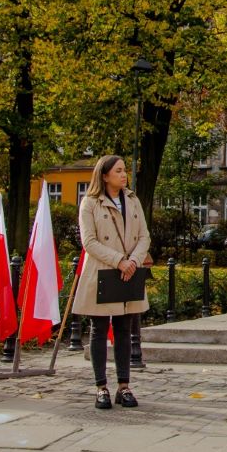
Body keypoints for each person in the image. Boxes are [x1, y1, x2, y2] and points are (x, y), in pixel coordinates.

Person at [73, 155, 150, 410]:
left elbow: (144, 236)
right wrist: (119, 260)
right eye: (118, 171)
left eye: (124, 170)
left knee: (124, 330)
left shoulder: (132, 199)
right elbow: (90, 241)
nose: (123, 174)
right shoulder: (90, 203)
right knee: (98, 330)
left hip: (129, 271)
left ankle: (124, 386)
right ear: (104, 175)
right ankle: (101, 387)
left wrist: (134, 261)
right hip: (103, 272)